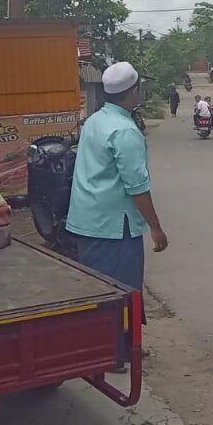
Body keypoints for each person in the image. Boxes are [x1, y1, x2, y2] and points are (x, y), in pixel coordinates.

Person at [66, 61, 169, 306]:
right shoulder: (124, 131)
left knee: (96, 296)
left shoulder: (94, 121)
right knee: (120, 301)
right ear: (134, 91)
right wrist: (155, 228)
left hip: (85, 223)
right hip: (113, 230)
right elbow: (137, 187)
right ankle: (121, 344)